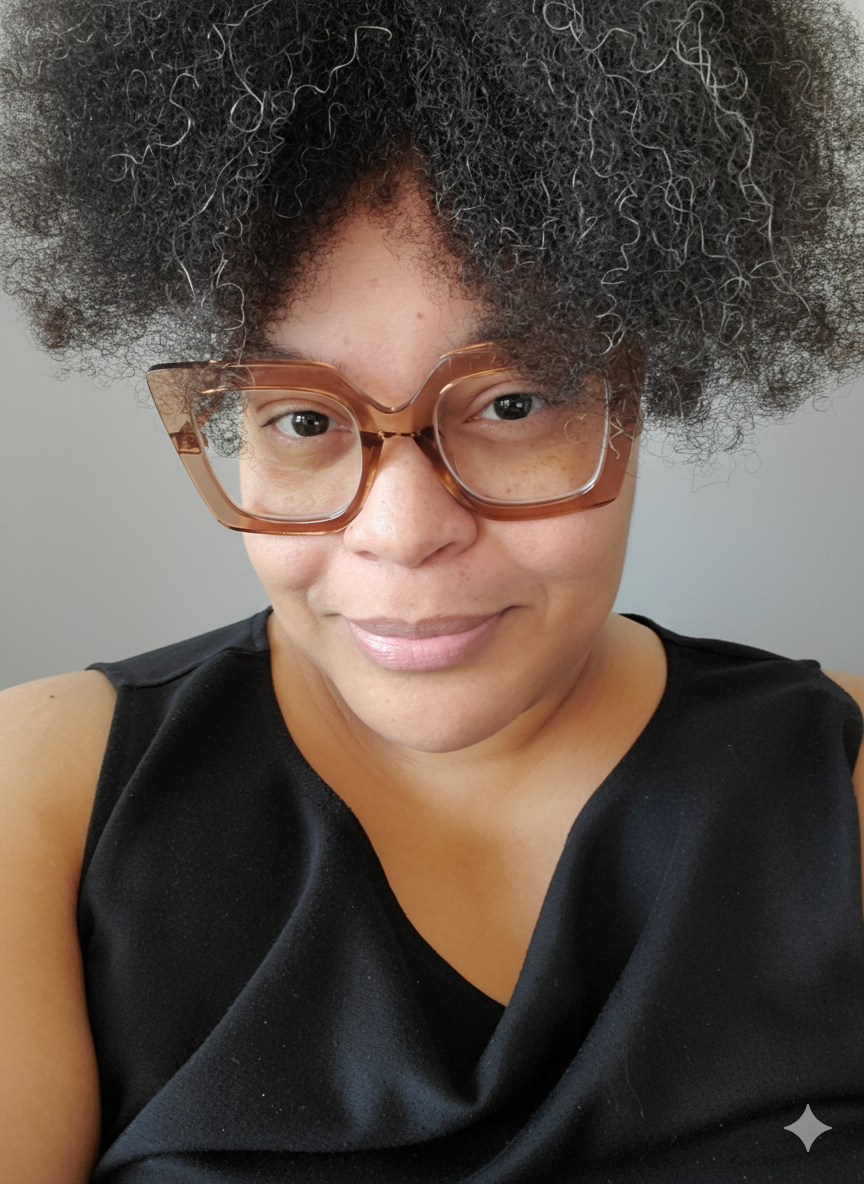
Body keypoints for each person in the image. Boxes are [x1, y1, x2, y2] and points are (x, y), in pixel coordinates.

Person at [0, 1, 862, 1181]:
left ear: (637, 392)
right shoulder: (41, 802)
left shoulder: (847, 786)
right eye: (303, 419)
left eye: (511, 401)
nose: (403, 533)